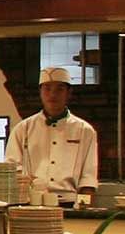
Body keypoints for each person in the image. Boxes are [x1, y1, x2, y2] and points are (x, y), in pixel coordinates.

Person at [6, 65, 98, 201]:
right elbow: (12, 168)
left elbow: (88, 176)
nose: (52, 94)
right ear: (40, 92)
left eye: (59, 89)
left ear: (69, 92)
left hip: (69, 201)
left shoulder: (85, 130)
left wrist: (84, 208)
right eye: (47, 89)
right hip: (32, 201)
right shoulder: (22, 129)